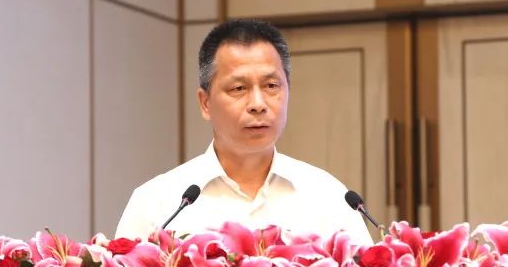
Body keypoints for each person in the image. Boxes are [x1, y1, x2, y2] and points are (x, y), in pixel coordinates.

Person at [115, 19, 374, 245]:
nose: (258, 104)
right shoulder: (157, 203)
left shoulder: (329, 196)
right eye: (239, 88)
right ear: (205, 103)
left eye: (271, 85)